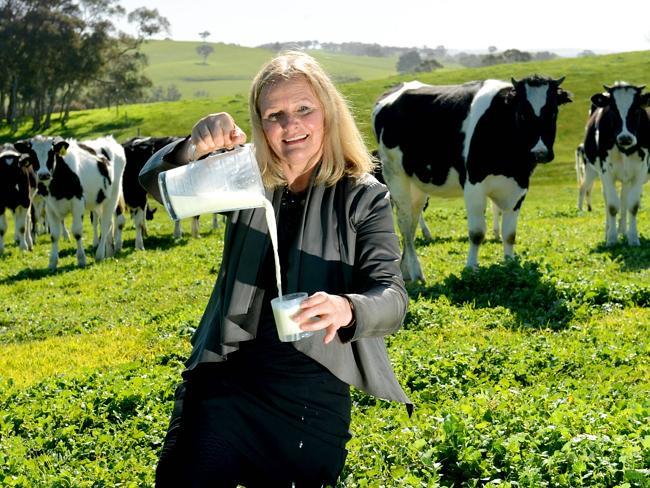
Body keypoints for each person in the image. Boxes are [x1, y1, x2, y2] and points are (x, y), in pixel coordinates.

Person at [139, 51, 411, 488]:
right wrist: (191, 148)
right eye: (274, 114)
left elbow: (392, 298)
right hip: (227, 378)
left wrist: (348, 308)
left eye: (304, 108)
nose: (291, 125)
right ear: (260, 124)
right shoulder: (242, 178)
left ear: (328, 112)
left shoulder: (364, 197)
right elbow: (157, 186)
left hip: (311, 396)